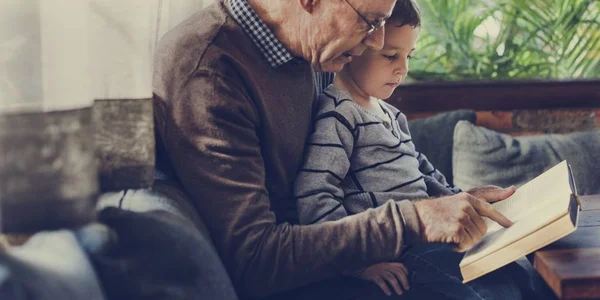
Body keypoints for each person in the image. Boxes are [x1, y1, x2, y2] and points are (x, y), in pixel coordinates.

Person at [150, 0, 529, 298]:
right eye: (370, 21)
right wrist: (414, 219)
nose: (376, 43)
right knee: (495, 289)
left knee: (514, 267)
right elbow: (255, 260)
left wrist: (455, 201)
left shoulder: (311, 46)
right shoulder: (210, 72)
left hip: (348, 250)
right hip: (300, 279)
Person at [293, 1, 525, 298]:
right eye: (390, 56)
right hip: (399, 251)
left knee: (514, 271)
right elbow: (314, 196)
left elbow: (423, 169)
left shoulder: (391, 114)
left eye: (408, 56)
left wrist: (461, 201)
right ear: (356, 47)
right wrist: (359, 265)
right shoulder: (338, 114)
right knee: (486, 294)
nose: (403, 69)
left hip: (429, 236)